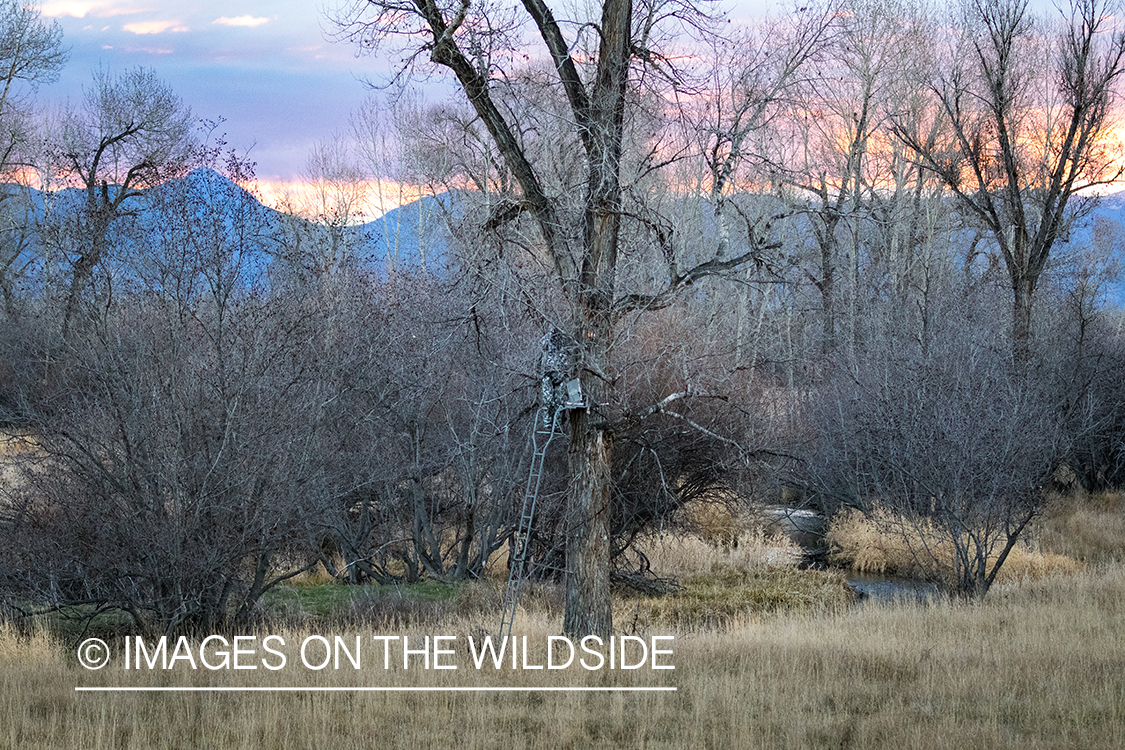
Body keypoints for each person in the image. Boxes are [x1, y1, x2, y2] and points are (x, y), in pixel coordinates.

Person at [539, 327, 573, 430]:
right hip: (548, 373)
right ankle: (547, 422)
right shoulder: (548, 338)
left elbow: (572, 348)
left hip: (561, 374)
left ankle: (557, 423)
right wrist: (550, 333)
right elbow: (541, 344)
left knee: (560, 399)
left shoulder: (565, 339)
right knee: (547, 399)